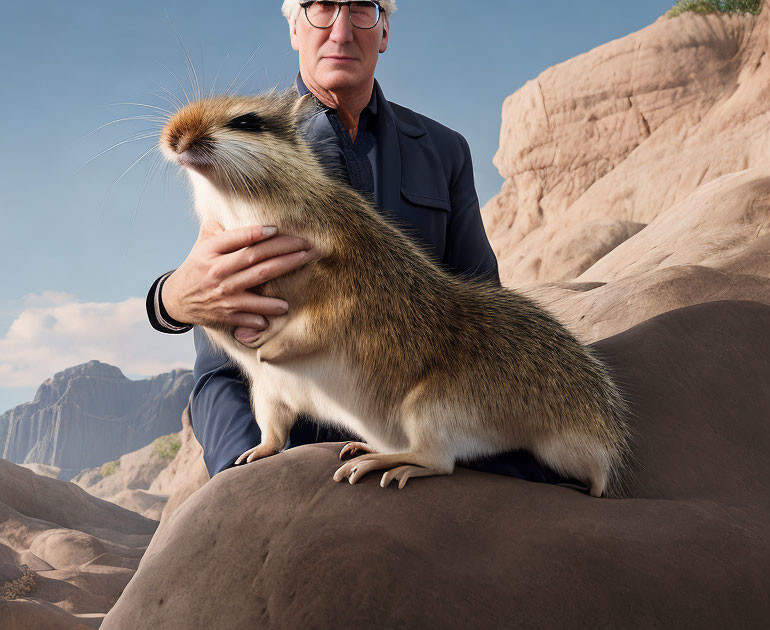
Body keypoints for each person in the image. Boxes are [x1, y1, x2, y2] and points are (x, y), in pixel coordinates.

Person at [147, 0, 581, 488]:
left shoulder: (443, 149)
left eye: (361, 9)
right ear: (293, 27)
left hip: (417, 429)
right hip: (301, 452)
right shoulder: (247, 149)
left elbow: (483, 305)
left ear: (386, 31)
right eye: (321, 8)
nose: (340, 31)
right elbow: (222, 356)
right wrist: (241, 476)